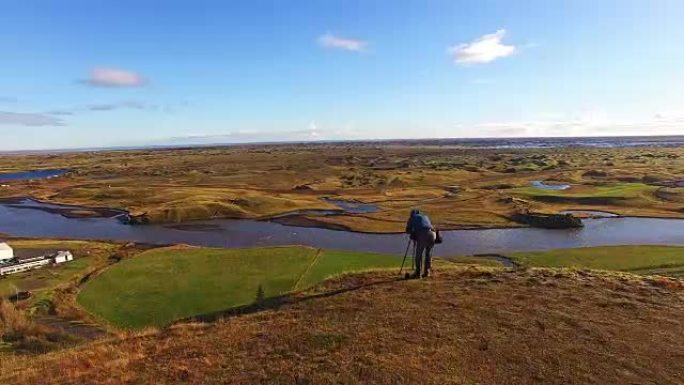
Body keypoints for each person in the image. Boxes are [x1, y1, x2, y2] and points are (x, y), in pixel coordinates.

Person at [405, 209, 436, 278]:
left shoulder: (412, 217)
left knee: (419, 255)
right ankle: (427, 272)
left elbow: (407, 230)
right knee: (428, 254)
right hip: (433, 234)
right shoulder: (425, 216)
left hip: (423, 234)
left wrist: (412, 234)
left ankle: (418, 273)